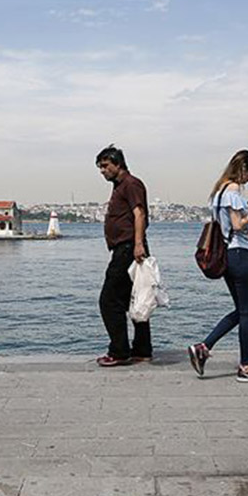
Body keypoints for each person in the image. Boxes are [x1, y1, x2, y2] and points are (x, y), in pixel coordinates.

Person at [187, 149, 248, 382]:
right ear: (243, 169)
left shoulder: (219, 192)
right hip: (241, 255)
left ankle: (204, 347)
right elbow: (237, 224)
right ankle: (245, 367)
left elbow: (225, 220)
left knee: (241, 310)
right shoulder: (233, 190)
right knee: (247, 313)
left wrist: (247, 204)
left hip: (227, 256)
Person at [95, 145, 152, 367]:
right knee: (135, 300)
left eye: (105, 166)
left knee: (108, 301)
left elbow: (140, 214)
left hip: (128, 249)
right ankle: (142, 350)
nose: (102, 171)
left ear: (118, 164)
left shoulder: (131, 184)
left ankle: (119, 352)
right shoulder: (120, 186)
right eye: (100, 167)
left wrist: (137, 244)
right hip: (126, 248)